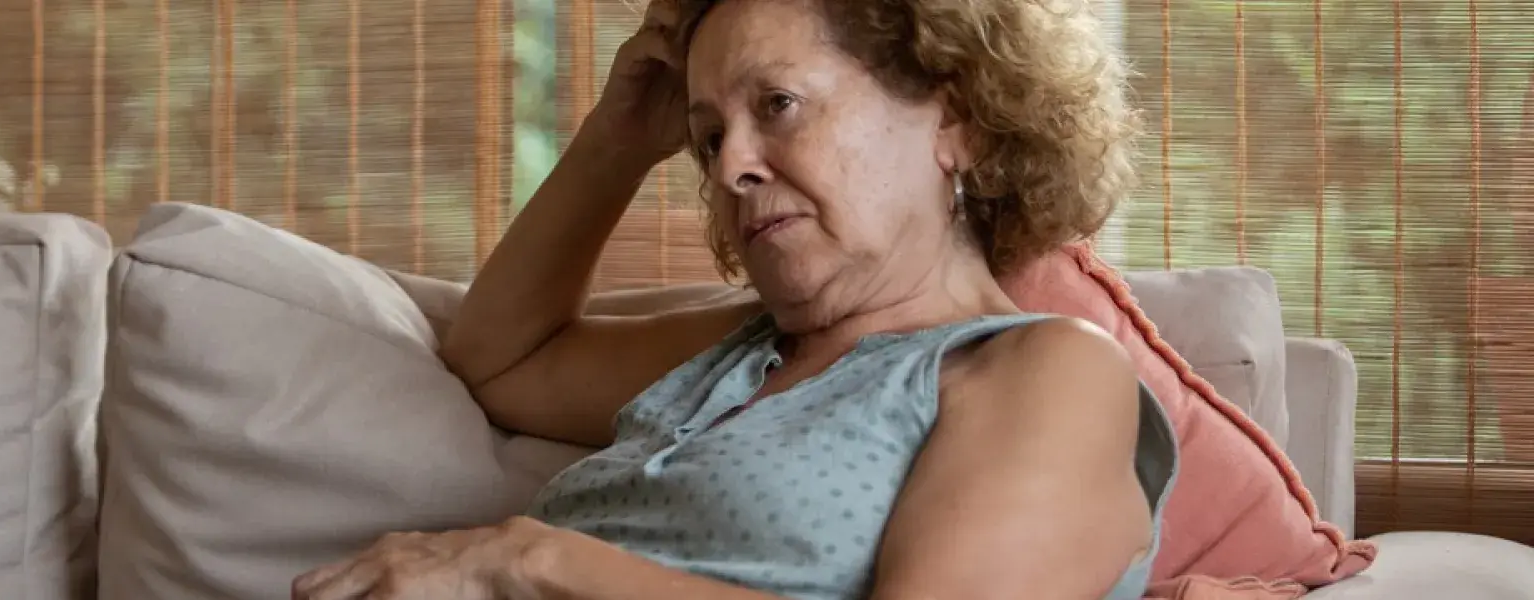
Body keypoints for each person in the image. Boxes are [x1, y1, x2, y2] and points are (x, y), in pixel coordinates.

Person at [291, 0, 1176, 598]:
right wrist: (619, 140)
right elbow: (500, 359)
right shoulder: (739, 357)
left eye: (779, 104)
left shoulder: (1043, 369)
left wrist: (531, 558)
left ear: (957, 121)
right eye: (708, 134)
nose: (730, 166)